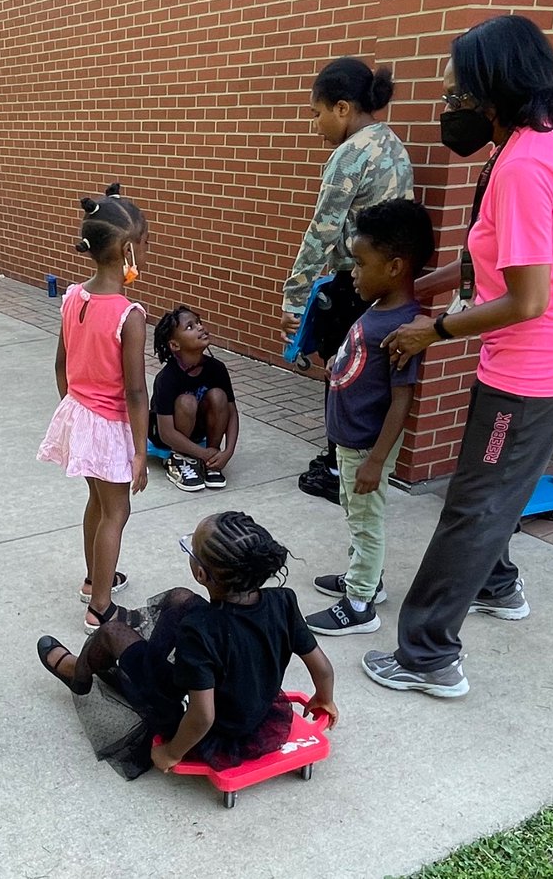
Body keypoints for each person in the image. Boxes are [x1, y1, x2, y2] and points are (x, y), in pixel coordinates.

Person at [361, 15, 553, 698]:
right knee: (493, 487)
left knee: (474, 503)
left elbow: (526, 298)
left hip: (535, 362)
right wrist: (417, 287)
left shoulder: (525, 166)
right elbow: (492, 259)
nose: (449, 106)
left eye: (457, 92)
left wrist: (431, 332)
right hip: (547, 351)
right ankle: (499, 586)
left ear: (495, 87)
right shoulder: (536, 143)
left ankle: (428, 656)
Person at [36, 511, 338, 779]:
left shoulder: (201, 631)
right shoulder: (283, 601)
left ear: (201, 573)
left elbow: (202, 716)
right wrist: (324, 698)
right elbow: (322, 666)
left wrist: (172, 753)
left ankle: (79, 673)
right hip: (254, 709)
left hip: (207, 727)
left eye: (191, 551)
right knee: (180, 597)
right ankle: (148, 650)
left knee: (112, 632)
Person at [279, 56, 414, 505]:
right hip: (391, 286)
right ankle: (357, 461)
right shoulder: (394, 146)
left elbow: (322, 232)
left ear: (342, 107)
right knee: (369, 380)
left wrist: (294, 299)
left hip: (354, 281)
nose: (315, 125)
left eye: (317, 113)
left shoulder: (350, 154)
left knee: (341, 375)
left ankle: (340, 464)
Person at [303, 199, 434, 636]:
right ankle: (367, 579)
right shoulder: (379, 311)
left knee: (365, 521)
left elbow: (402, 400)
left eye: (361, 263)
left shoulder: (404, 327)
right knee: (354, 512)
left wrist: (377, 460)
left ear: (395, 266)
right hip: (350, 440)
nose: (354, 272)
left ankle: (359, 603)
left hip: (365, 445)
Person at [38, 183, 150, 633]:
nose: (145, 249)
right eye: (143, 242)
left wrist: (73, 405)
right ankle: (100, 607)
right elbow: (137, 392)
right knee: (116, 513)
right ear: (126, 250)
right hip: (107, 425)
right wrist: (140, 452)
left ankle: (92, 580)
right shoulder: (130, 314)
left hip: (79, 413)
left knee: (97, 502)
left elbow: (61, 362)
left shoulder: (72, 297)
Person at [150, 306, 239, 492]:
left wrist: (227, 452)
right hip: (168, 437)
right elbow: (166, 432)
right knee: (187, 401)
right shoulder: (166, 378)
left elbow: (231, 413)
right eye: (190, 327)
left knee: (218, 396)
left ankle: (211, 463)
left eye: (199, 323)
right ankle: (179, 459)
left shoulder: (217, 368)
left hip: (199, 434)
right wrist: (201, 452)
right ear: (175, 345)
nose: (200, 327)